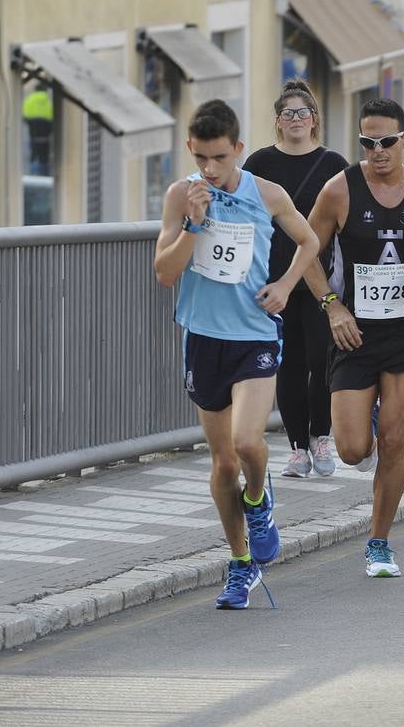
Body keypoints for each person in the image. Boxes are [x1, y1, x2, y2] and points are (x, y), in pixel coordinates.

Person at [153, 100, 318, 609]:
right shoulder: (182, 196)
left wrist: (287, 285)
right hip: (204, 338)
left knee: (249, 442)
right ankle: (241, 563)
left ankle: (259, 500)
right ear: (190, 150)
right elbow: (164, 271)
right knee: (223, 462)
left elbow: (309, 240)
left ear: (239, 151)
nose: (210, 169)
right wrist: (194, 224)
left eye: (220, 158)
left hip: (254, 334)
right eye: (201, 157)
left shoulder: (266, 193)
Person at [303, 98, 404, 578]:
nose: (377, 151)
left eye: (387, 142)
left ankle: (379, 541)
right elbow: (307, 253)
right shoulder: (338, 190)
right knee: (353, 449)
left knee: (394, 441)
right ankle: (368, 410)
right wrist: (332, 307)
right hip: (354, 334)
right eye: (367, 143)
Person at [243, 79, 348, 478]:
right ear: (278, 122)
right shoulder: (259, 163)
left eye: (303, 113)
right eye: (288, 114)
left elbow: (345, 221)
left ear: (315, 120)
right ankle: (296, 448)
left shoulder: (334, 164)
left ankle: (322, 438)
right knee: (287, 365)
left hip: (321, 280)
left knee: (322, 360)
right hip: (273, 280)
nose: (296, 120)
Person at [22, 83, 54, 175]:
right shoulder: (48, 100)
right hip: (45, 133)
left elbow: (25, 116)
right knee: (44, 155)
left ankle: (33, 173)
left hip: (33, 131)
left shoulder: (29, 100)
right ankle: (45, 174)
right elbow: (53, 117)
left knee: (34, 153)